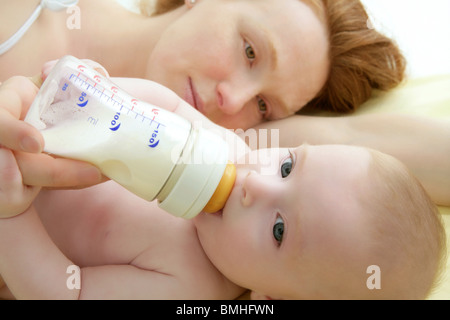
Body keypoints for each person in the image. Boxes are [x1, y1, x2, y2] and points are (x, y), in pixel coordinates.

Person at [0, 72, 446, 300]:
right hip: (32, 127)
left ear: (270, 297)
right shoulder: (227, 149)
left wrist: (12, 214)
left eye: (278, 230)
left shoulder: (190, 285)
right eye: (288, 167)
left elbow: (67, 291)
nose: (257, 185)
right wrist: (103, 88)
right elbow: (163, 103)